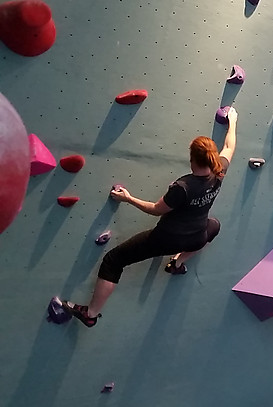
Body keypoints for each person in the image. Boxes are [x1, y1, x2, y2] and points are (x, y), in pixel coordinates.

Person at [62, 108, 238, 327]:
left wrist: (128, 198)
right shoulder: (219, 171)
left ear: (192, 159)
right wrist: (233, 121)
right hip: (197, 236)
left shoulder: (183, 187)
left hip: (166, 240)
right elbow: (230, 146)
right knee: (214, 226)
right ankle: (178, 262)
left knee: (114, 260)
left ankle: (91, 313)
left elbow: (156, 209)